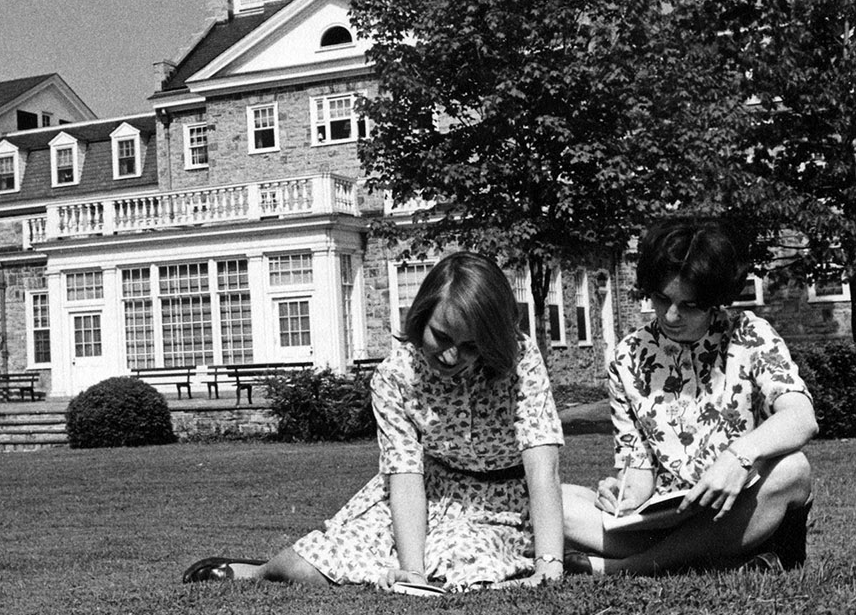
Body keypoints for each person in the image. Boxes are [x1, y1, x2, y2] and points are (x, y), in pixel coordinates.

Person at [182, 251, 566, 591]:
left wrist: (549, 564)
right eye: (442, 336)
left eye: (470, 346)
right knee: (305, 568)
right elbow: (405, 476)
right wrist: (410, 570)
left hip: (500, 502)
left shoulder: (521, 359)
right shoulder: (394, 375)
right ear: (421, 316)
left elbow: (542, 468)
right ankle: (261, 570)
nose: (452, 357)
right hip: (426, 493)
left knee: (466, 566)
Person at [561, 217, 817, 575]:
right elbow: (638, 468)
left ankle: (629, 567)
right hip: (669, 516)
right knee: (555, 500)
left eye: (690, 305)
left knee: (792, 469)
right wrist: (625, 495)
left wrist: (738, 458)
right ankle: (716, 559)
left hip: (744, 507)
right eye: (662, 298)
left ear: (715, 300)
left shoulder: (750, 335)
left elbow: (801, 417)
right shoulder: (629, 356)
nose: (671, 315)